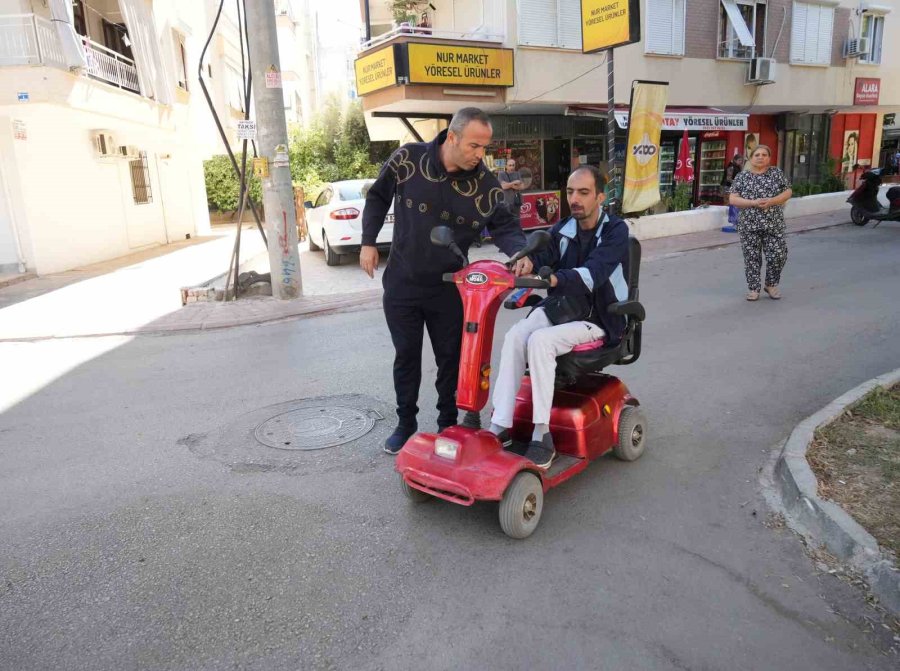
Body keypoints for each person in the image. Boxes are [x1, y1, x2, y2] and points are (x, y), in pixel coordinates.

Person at [360, 108, 528, 454]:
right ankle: (406, 423)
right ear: (452, 137)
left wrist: (521, 253)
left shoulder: (484, 184)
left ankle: (447, 425)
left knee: (451, 359)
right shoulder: (409, 158)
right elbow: (378, 196)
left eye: (485, 147)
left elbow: (505, 226)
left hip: (450, 286)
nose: (480, 155)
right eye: (474, 146)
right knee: (406, 356)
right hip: (403, 282)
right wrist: (368, 242)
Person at [488, 166, 629, 469]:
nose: (574, 199)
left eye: (583, 192)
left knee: (540, 341)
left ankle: (542, 434)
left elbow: (593, 275)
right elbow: (543, 253)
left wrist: (553, 280)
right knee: (515, 336)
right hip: (564, 309)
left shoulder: (616, 231)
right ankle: (500, 426)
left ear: (600, 196)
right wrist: (527, 262)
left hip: (599, 318)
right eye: (570, 192)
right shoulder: (564, 228)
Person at [728, 145, 793, 301]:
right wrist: (753, 202)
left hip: (774, 222)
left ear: (769, 158)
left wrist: (772, 201)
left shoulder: (776, 173)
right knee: (752, 257)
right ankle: (753, 289)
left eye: (764, 154)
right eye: (757, 154)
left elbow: (788, 191)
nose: (760, 157)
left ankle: (771, 283)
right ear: (751, 158)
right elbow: (733, 199)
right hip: (749, 224)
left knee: (778, 254)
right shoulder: (742, 177)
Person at [721, 155, 746, 226]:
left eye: (741, 161)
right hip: (727, 187)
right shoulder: (731, 167)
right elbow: (728, 178)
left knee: (733, 204)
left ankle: (732, 221)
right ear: (735, 160)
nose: (740, 162)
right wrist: (737, 183)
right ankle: (727, 222)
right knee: (728, 203)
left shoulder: (737, 167)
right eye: (739, 161)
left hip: (733, 188)